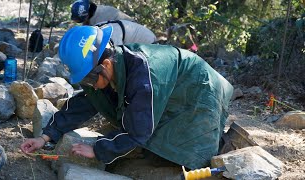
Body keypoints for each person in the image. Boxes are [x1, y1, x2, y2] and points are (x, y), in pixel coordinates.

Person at [20, 25, 234, 169]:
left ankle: (224, 145)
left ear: (105, 65)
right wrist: (45, 137)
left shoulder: (143, 77)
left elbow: (138, 132)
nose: (88, 86)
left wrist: (98, 149)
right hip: (171, 85)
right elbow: (85, 102)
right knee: (147, 134)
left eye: (88, 79)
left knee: (188, 154)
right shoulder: (109, 68)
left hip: (199, 88)